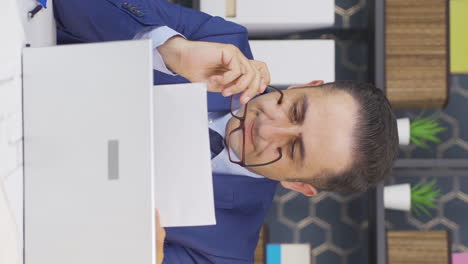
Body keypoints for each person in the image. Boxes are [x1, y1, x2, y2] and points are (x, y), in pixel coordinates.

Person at [53, 0, 399, 263]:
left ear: (298, 185)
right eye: (293, 109)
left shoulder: (223, 253)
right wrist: (170, 50)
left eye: (293, 149)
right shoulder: (221, 40)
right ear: (303, 85)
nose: (267, 127)